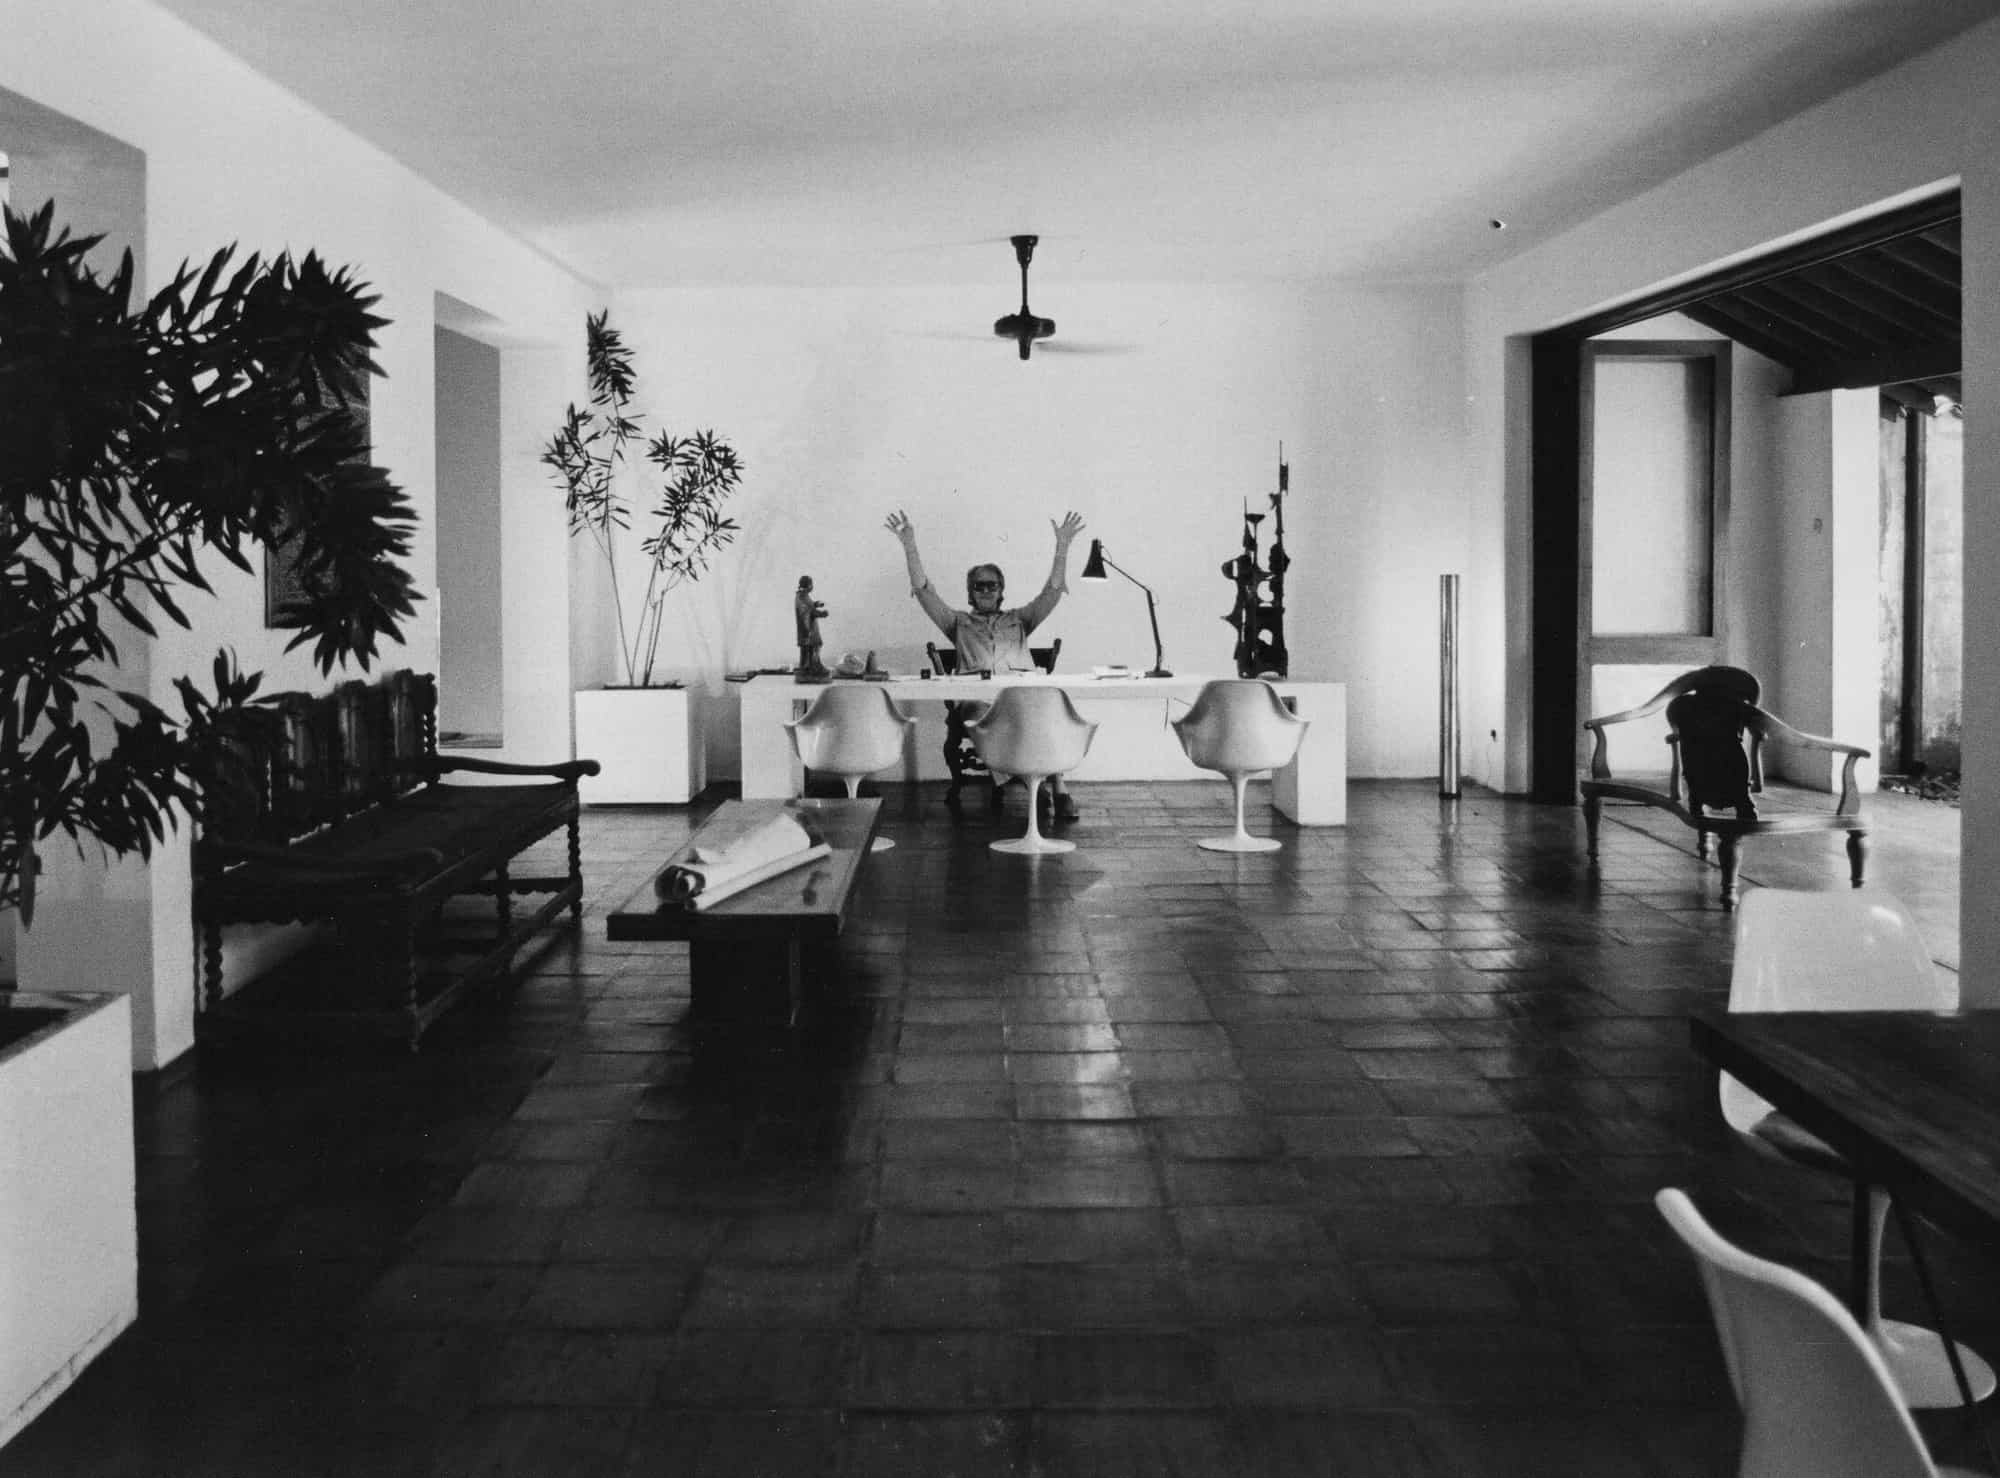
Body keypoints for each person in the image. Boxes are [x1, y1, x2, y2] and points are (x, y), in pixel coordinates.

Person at [885, 508, 1086, 818]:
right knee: (982, 720)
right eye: (979, 586)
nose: (986, 590)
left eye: (992, 585)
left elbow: (1053, 591)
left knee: (1050, 710)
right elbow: (925, 593)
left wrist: (1063, 547)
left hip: (1021, 697)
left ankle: (1059, 791)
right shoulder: (958, 623)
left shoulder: (1020, 620)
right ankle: (1030, 778)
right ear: (970, 593)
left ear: (1001, 590)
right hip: (979, 701)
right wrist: (910, 545)